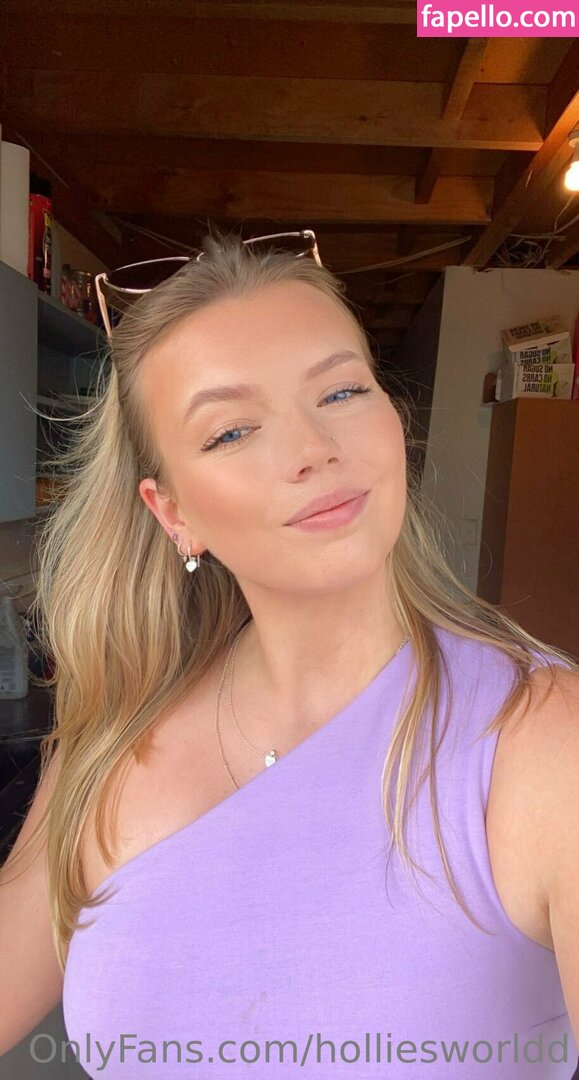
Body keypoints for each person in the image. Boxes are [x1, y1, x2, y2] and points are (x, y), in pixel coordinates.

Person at [1, 228, 578, 1079]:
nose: (313, 450)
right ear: (173, 514)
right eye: (231, 431)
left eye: (340, 391)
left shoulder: (541, 739)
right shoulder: (111, 745)